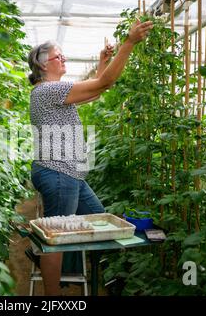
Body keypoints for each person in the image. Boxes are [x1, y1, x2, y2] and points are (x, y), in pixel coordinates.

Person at [27, 20, 153, 296]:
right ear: (43, 64)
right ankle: (53, 297)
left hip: (69, 174)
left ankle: (104, 277)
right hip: (59, 172)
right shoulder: (49, 90)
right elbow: (105, 82)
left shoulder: (52, 93)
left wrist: (101, 62)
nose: (64, 59)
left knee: (99, 219)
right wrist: (128, 43)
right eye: (58, 56)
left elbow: (96, 90)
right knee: (57, 238)